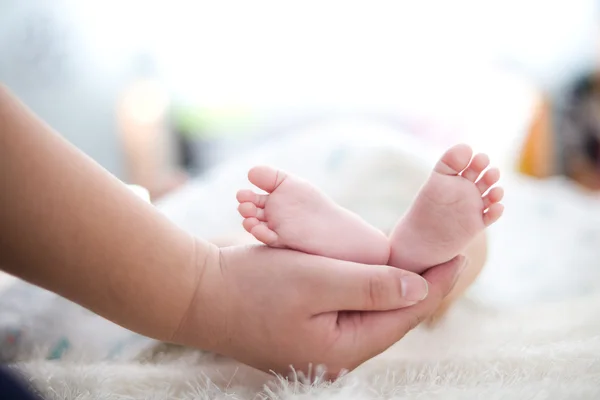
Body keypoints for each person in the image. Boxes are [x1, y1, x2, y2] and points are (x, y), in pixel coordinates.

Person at [0, 82, 467, 385]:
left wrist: (161, 196)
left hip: (114, 264)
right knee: (467, 255)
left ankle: (383, 251)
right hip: (144, 248)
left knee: (224, 245)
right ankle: (402, 253)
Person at [234, 145, 503, 322]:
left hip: (372, 184)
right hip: (381, 182)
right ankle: (406, 264)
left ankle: (392, 257)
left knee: (228, 257)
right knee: (471, 247)